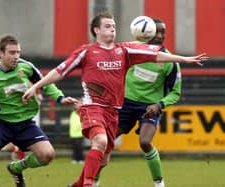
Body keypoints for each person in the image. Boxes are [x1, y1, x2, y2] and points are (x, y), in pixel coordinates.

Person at [22, 12, 207, 187]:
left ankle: (79, 184)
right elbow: (59, 71)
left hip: (115, 110)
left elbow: (156, 55)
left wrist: (183, 59)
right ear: (96, 30)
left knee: (105, 158)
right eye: (108, 26)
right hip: (94, 107)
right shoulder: (87, 51)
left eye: (114, 26)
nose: (113, 29)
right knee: (100, 142)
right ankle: (89, 184)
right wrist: (35, 86)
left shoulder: (125, 51)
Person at [0, 34, 77, 187]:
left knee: (47, 155)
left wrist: (60, 98)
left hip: (25, 123)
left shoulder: (26, 67)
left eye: (18, 52)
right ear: (1, 53)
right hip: (0, 123)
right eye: (12, 53)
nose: (16, 56)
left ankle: (16, 168)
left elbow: (46, 83)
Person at [94, 18, 179, 187]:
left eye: (164, 32)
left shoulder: (170, 61)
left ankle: (159, 183)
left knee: (145, 142)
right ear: (146, 32)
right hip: (124, 104)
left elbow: (175, 93)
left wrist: (158, 105)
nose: (160, 35)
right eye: (157, 31)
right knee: (105, 142)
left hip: (149, 108)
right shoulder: (129, 49)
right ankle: (92, 182)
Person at [69, 100, 84, 164]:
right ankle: (75, 159)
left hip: (79, 134)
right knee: (74, 147)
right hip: (73, 134)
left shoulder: (82, 113)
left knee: (79, 147)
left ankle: (81, 159)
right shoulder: (73, 113)